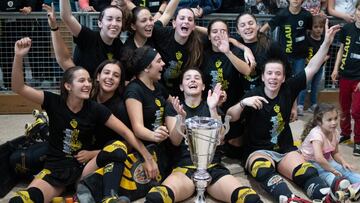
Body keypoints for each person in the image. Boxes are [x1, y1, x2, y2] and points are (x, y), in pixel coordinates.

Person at [9, 37, 157, 203]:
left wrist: (148, 158)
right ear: (68, 86)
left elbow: (125, 132)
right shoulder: (53, 101)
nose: (87, 84)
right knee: (23, 199)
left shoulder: (96, 108)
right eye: (82, 80)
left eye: (88, 80)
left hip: (83, 168)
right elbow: (18, 87)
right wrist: (19, 56)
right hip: (56, 169)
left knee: (117, 147)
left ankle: (109, 198)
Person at [227, 20, 341, 202]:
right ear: (263, 77)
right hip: (258, 151)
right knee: (263, 170)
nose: (274, 77)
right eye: (269, 74)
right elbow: (231, 116)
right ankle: (289, 199)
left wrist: (326, 42)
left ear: (283, 77)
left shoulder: (288, 88)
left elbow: (312, 67)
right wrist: (243, 104)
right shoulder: (253, 94)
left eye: (278, 74)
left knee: (307, 171)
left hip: (285, 149)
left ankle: (326, 195)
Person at [145, 68, 263, 203]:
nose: (192, 80)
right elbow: (175, 141)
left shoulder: (211, 105)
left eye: (197, 78)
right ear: (181, 87)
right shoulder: (174, 107)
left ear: (203, 86)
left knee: (249, 198)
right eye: (188, 78)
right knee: (156, 197)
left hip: (213, 169)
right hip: (185, 169)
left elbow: (220, 139)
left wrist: (213, 108)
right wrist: (181, 119)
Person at [124, 46, 171, 176]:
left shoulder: (157, 86)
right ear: (146, 67)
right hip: (142, 149)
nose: (163, 63)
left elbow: (175, 105)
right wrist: (154, 135)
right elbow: (137, 128)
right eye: (158, 61)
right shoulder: (134, 90)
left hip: (161, 147)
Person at [299, 103, 360, 201]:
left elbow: (335, 153)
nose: (334, 122)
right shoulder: (317, 134)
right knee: (327, 174)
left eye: (335, 118)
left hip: (326, 160)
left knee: (344, 170)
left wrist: (344, 162)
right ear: (319, 122)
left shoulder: (334, 132)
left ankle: (354, 185)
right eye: (329, 120)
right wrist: (332, 170)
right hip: (311, 162)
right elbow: (319, 158)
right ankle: (341, 188)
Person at [260, 0, 312, 111]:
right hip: (284, 56)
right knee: (284, 79)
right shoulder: (282, 14)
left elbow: (309, 32)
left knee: (301, 79)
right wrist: (258, 37)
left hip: (300, 55)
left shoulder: (306, 15)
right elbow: (267, 26)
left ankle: (300, 106)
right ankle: (285, 103)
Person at [60, 0, 124, 77]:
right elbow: (66, 17)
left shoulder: (119, 45)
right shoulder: (88, 37)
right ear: (100, 23)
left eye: (118, 20)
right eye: (109, 19)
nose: (114, 24)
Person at [151, 7, 203, 96]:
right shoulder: (162, 34)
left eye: (190, 20)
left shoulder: (197, 42)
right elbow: (166, 14)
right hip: (158, 91)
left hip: (182, 95)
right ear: (174, 23)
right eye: (182, 18)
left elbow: (212, 33)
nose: (186, 21)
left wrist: (230, 40)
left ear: (194, 26)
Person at [331, 0, 360, 156]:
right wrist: (336, 69)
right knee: (344, 108)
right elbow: (341, 49)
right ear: (355, 11)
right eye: (359, 10)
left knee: (357, 111)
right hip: (345, 75)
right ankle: (346, 133)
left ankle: (358, 142)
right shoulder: (347, 28)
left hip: (358, 79)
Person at [298, 15, 328, 114]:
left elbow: (327, 54)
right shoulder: (307, 39)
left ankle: (313, 104)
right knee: (304, 85)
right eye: (315, 27)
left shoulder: (324, 39)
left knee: (315, 86)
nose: (318, 29)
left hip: (319, 68)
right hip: (308, 67)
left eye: (321, 27)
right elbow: (302, 51)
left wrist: (322, 59)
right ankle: (300, 105)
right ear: (310, 28)